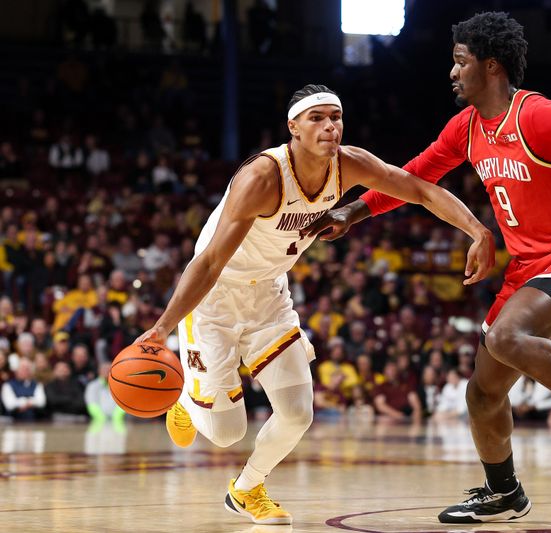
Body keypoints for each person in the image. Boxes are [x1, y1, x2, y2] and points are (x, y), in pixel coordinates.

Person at [302, 12, 551, 523]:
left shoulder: (538, 117)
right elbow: (415, 175)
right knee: (481, 392)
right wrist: (356, 209)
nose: (452, 73)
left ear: (492, 67)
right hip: (525, 268)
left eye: (461, 62)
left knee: (504, 338)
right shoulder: (468, 126)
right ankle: (504, 492)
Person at [135, 84, 495, 525]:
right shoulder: (262, 178)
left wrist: (478, 230)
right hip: (216, 296)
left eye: (336, 117)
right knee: (228, 434)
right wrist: (163, 326)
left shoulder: (349, 164)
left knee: (297, 413)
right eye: (317, 118)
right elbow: (208, 261)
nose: (330, 126)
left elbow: (419, 190)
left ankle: (246, 489)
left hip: (269, 293)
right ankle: (188, 398)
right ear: (293, 127)